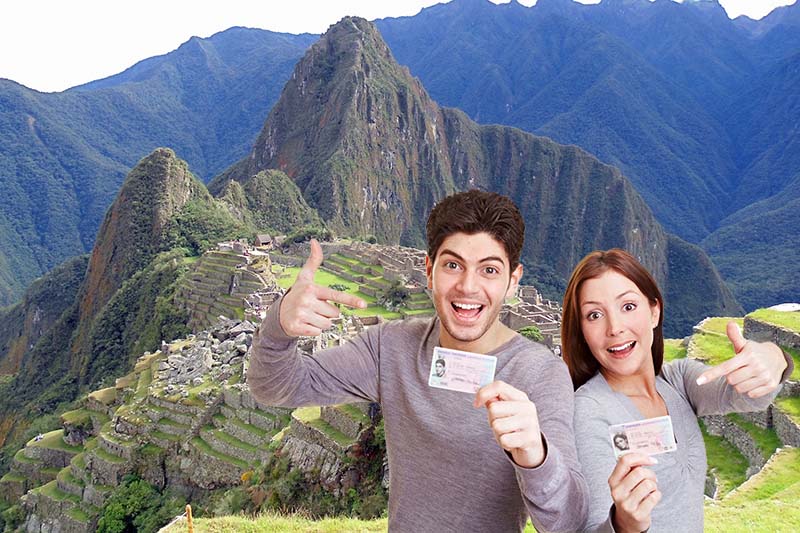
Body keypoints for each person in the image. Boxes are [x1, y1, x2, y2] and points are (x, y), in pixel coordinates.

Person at [248, 190, 588, 532]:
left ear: (512, 282)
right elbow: (277, 386)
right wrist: (279, 326)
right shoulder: (391, 348)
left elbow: (568, 522)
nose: (468, 287)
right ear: (429, 270)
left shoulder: (541, 374)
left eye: (489, 270)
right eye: (453, 265)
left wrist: (536, 453)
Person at [561, 249, 793, 533]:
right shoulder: (589, 411)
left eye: (628, 307)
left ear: (654, 312)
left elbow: (750, 395)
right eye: (595, 314)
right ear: (582, 331)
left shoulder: (678, 382)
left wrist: (775, 358)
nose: (615, 328)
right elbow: (591, 525)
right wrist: (623, 524)